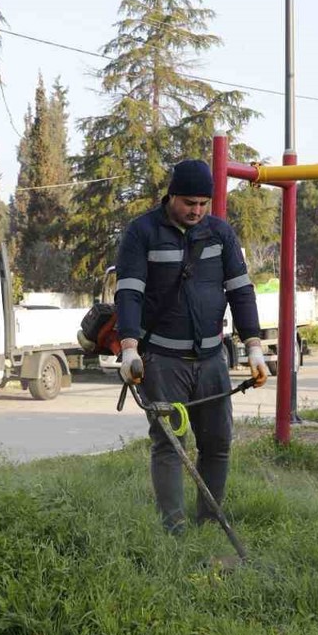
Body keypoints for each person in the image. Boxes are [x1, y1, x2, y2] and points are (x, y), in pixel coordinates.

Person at [114, 159, 270, 535]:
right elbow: (129, 293)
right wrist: (130, 348)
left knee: (217, 444)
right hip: (163, 361)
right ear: (171, 196)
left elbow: (241, 291)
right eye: (189, 202)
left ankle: (209, 522)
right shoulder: (142, 232)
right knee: (169, 445)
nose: (196, 211)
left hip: (213, 360)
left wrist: (253, 346)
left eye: (203, 203)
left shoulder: (220, 234)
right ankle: (175, 527)